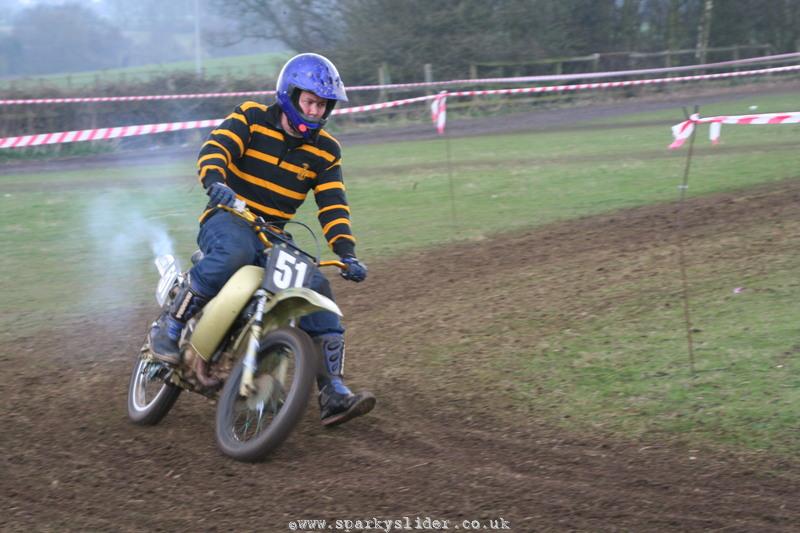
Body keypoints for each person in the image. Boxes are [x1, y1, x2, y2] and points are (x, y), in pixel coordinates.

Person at [149, 53, 375, 427]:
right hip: (227, 216)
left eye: (322, 105)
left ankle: (332, 390)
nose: (316, 111)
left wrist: (346, 253)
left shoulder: (326, 151)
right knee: (235, 250)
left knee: (318, 286)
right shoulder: (251, 116)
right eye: (310, 102)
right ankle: (171, 325)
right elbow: (216, 148)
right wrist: (215, 183)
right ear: (290, 94)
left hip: (273, 235)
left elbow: (333, 203)